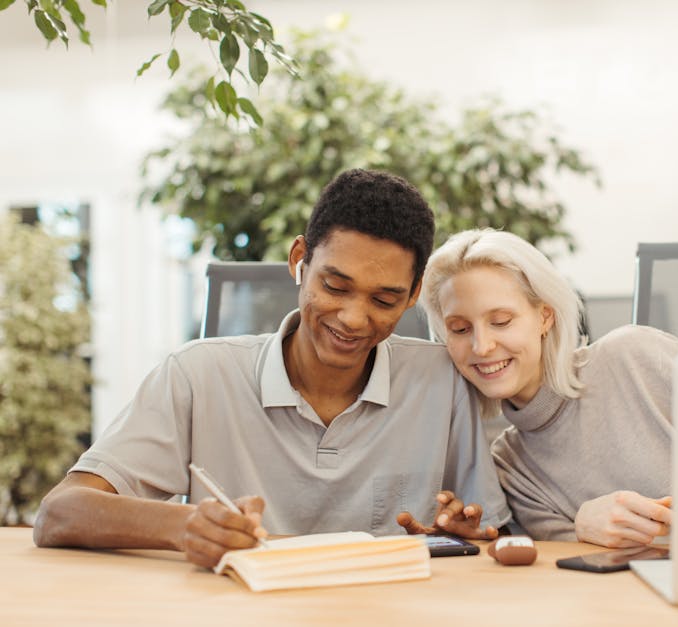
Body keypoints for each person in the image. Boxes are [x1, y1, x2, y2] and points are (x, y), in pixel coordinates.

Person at [33, 170, 510, 568]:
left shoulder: (442, 379)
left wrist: (460, 535)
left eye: (383, 299)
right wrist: (185, 526)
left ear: (412, 294)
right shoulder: (198, 375)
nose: (352, 318)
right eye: (335, 286)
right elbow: (59, 513)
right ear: (299, 260)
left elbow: (489, 534)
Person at [415, 228, 678, 548]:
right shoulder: (510, 468)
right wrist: (581, 528)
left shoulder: (634, 356)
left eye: (501, 321)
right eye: (460, 329)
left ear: (545, 317)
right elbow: (566, 570)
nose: (481, 346)